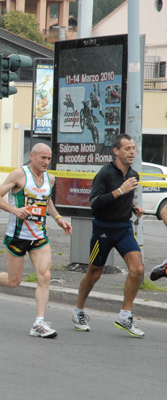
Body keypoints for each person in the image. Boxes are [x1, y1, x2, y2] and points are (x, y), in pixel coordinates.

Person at [0, 143, 72, 338]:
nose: (46, 162)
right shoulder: (19, 175)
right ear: (33, 156)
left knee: (45, 276)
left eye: (49, 158)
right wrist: (15, 210)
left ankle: (39, 323)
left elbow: (47, 200)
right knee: (13, 281)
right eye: (42, 158)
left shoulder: (49, 179)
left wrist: (58, 218)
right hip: (17, 236)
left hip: (39, 237)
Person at [72, 134, 145, 338]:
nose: (131, 152)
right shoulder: (105, 173)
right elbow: (94, 202)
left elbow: (126, 199)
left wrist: (134, 208)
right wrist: (119, 191)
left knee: (137, 269)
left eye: (133, 148)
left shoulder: (134, 175)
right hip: (103, 230)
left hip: (123, 229)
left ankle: (125, 314)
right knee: (94, 274)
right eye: (127, 148)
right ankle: (78, 310)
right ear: (116, 151)